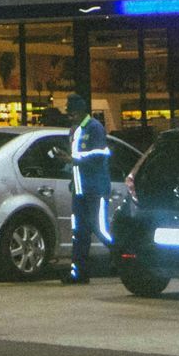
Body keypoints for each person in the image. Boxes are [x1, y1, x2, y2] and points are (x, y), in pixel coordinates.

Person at [63, 93, 112, 284]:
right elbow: (76, 159)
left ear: (81, 111)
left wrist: (73, 159)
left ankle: (123, 259)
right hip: (80, 190)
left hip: (96, 189)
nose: (70, 116)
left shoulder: (95, 128)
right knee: (79, 231)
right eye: (69, 113)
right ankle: (79, 272)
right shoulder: (75, 131)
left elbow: (100, 155)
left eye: (72, 113)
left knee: (100, 228)